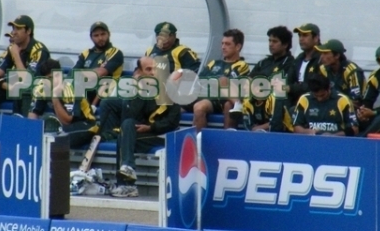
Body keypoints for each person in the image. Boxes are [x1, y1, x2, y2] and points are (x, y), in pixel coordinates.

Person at [111, 57, 181, 198]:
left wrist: (151, 128)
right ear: (141, 72)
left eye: (156, 69)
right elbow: (131, 116)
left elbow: (172, 122)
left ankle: (126, 184)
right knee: (126, 128)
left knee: (123, 137)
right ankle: (128, 172)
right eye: (148, 69)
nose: (153, 73)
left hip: (162, 136)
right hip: (141, 135)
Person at [0, 15, 50, 115]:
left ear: (28, 31)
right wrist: (8, 86)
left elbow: (28, 81)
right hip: (13, 87)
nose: (14, 32)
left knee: (21, 92)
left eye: (18, 28)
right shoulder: (13, 48)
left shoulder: (39, 51)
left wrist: (16, 55)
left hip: (32, 92)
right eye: (13, 28)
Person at [228, 25, 295, 131]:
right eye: (270, 41)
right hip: (257, 97)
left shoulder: (291, 63)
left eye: (275, 41)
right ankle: (237, 110)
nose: (271, 44)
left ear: (285, 44)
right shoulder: (263, 62)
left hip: (275, 101)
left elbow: (282, 86)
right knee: (228, 88)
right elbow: (250, 78)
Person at [187, 29, 250, 132]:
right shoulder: (213, 63)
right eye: (222, 44)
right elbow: (201, 79)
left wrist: (213, 80)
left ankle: (228, 139)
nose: (223, 47)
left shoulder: (241, 65)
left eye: (227, 44)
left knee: (204, 104)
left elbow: (230, 83)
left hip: (222, 99)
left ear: (238, 47)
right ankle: (198, 144)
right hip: (207, 97)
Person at [73, 21, 124, 108]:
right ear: (91, 37)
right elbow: (74, 74)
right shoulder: (86, 53)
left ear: (109, 34)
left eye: (103, 34)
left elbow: (100, 73)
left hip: (106, 97)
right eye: (96, 35)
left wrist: (83, 73)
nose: (100, 38)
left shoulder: (115, 52)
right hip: (85, 92)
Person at [292, 73, 358, 136]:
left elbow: (354, 129)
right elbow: (296, 127)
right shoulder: (304, 99)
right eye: (316, 96)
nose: (319, 99)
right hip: (311, 141)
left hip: (337, 142)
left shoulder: (343, 100)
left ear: (329, 88)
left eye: (322, 95)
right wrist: (307, 132)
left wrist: (333, 136)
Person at [316, 39, 365, 109]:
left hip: (350, 112)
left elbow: (355, 102)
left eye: (325, 53)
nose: (321, 57)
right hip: (329, 108)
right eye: (321, 53)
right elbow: (318, 94)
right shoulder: (323, 69)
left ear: (337, 56)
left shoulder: (352, 71)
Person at [285, 23, 322, 106]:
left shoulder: (322, 57)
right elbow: (288, 81)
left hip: (316, 103)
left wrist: (292, 88)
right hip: (296, 102)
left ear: (316, 38)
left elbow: (317, 85)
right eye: (299, 36)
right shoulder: (299, 58)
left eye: (305, 36)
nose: (301, 39)